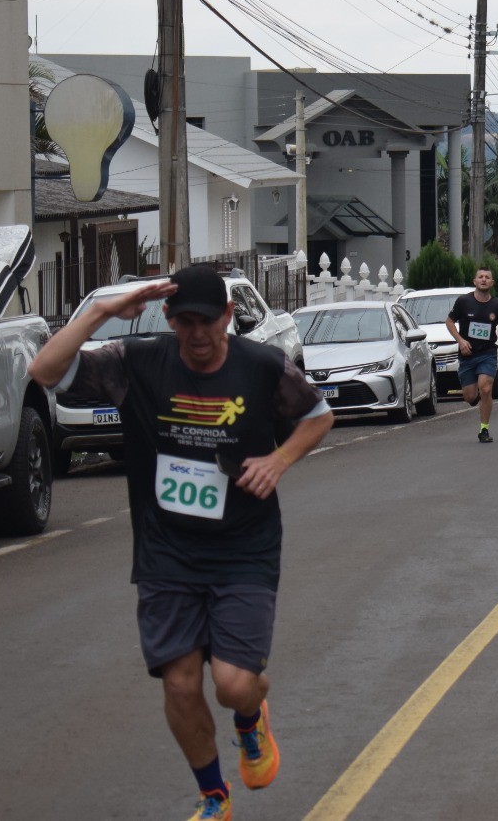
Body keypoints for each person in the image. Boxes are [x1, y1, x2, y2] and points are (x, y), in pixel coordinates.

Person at [27, 264, 334, 821]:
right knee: (180, 683)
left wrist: (280, 459)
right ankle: (214, 795)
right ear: (167, 319)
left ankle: (250, 716)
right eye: (184, 322)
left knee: (233, 685)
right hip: (166, 548)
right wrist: (101, 311)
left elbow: (318, 414)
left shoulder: (262, 366)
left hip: (244, 546)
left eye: (207, 322)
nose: (197, 335)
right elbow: (45, 370)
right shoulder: (138, 363)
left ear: (228, 317)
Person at [445, 266, 498, 443]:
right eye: (480, 277)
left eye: (487, 277)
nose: (483, 279)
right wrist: (461, 341)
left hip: (487, 353)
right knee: (469, 397)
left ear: (492, 282)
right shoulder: (463, 302)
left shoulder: (497, 305)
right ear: (474, 281)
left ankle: (484, 429)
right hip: (468, 355)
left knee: (485, 388)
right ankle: (476, 397)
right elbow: (449, 321)